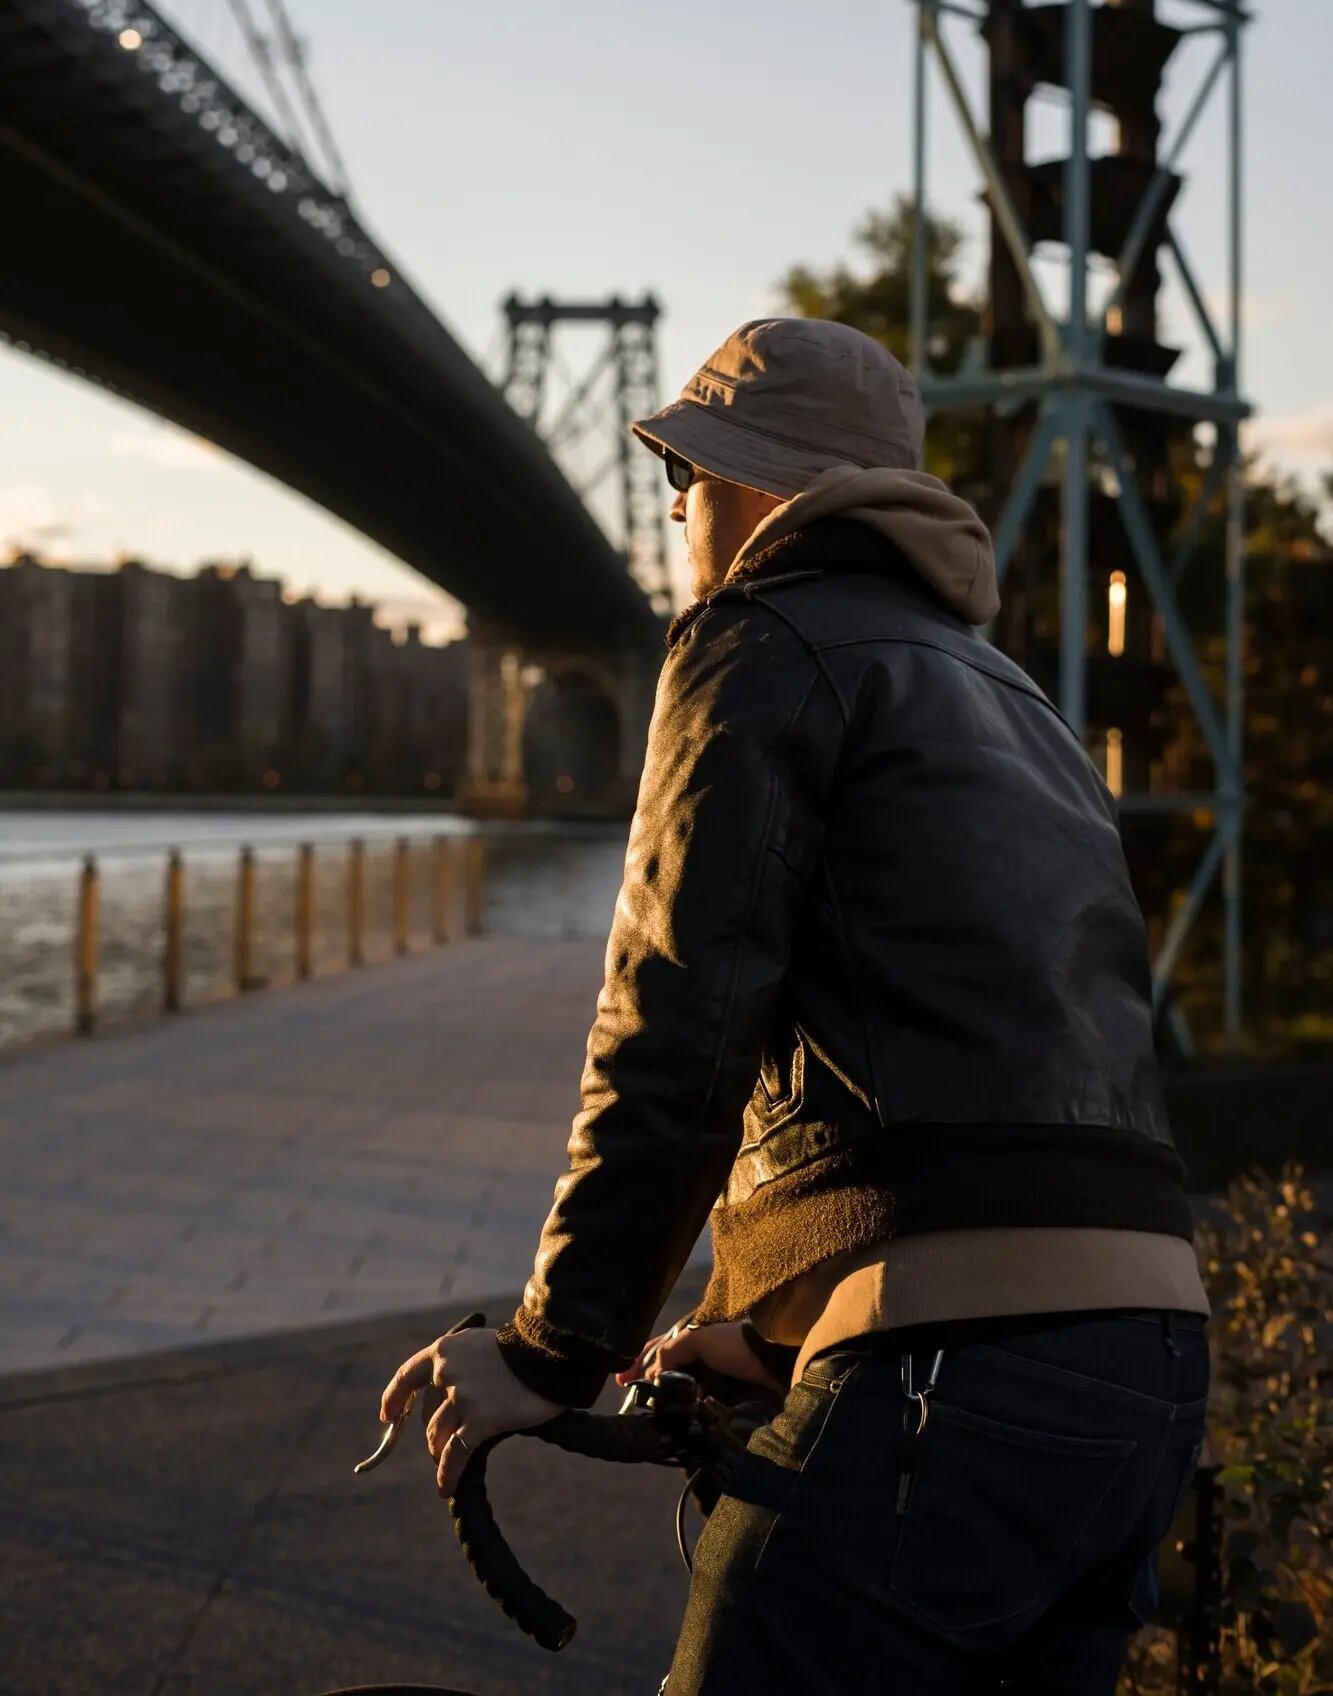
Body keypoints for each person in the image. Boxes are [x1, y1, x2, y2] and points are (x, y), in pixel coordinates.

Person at [382, 318, 1210, 1693]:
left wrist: (554, 1347)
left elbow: (675, 1023)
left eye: (684, 476)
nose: (675, 512)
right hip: (1149, 1367)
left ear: (757, 486)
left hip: (953, 1380)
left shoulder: (756, 637)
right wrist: (770, 1327)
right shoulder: (1019, 704)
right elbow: (985, 1084)